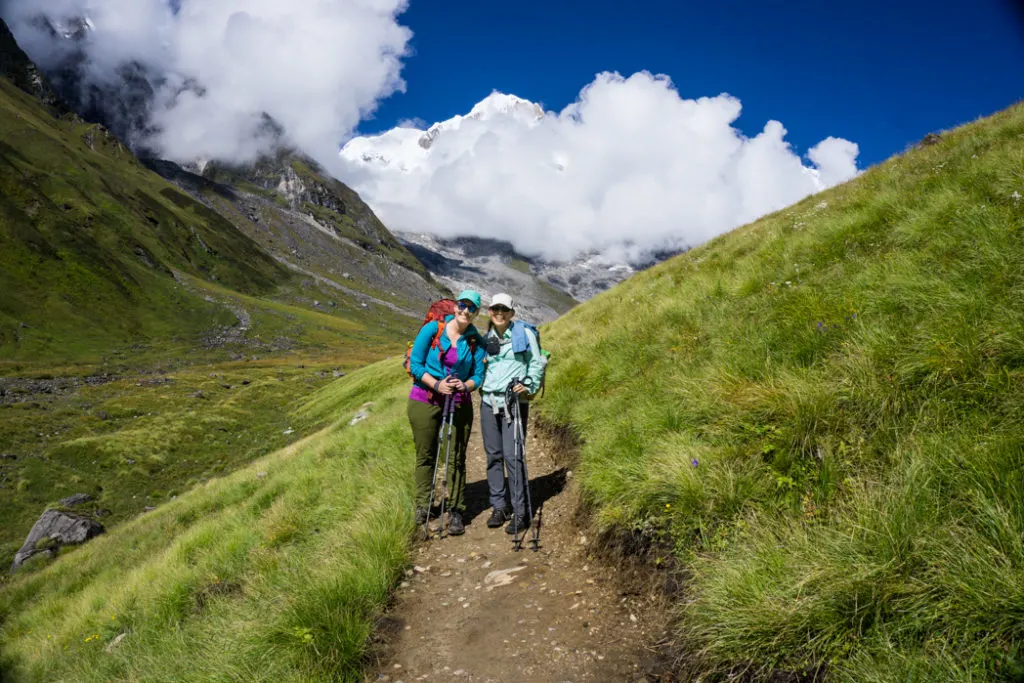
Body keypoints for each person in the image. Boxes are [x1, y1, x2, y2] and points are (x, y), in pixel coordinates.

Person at [407, 290, 487, 536]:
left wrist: (466, 385)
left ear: (476, 313)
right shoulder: (432, 330)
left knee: (456, 457)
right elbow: (416, 364)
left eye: (471, 308)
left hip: (459, 400)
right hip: (425, 397)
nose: (465, 311)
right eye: (462, 305)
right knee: (426, 454)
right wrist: (437, 384)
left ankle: (456, 509)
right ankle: (424, 505)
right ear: (455, 307)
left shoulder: (475, 341)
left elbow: (478, 375)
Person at [478, 293, 547, 534]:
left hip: (513, 403)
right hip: (488, 401)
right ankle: (499, 506)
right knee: (493, 455)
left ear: (511, 313)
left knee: (513, 455)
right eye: (495, 308)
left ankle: (520, 511)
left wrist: (529, 385)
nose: (499, 313)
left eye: (504, 309)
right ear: (490, 311)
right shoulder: (486, 339)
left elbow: (536, 363)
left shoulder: (523, 334)